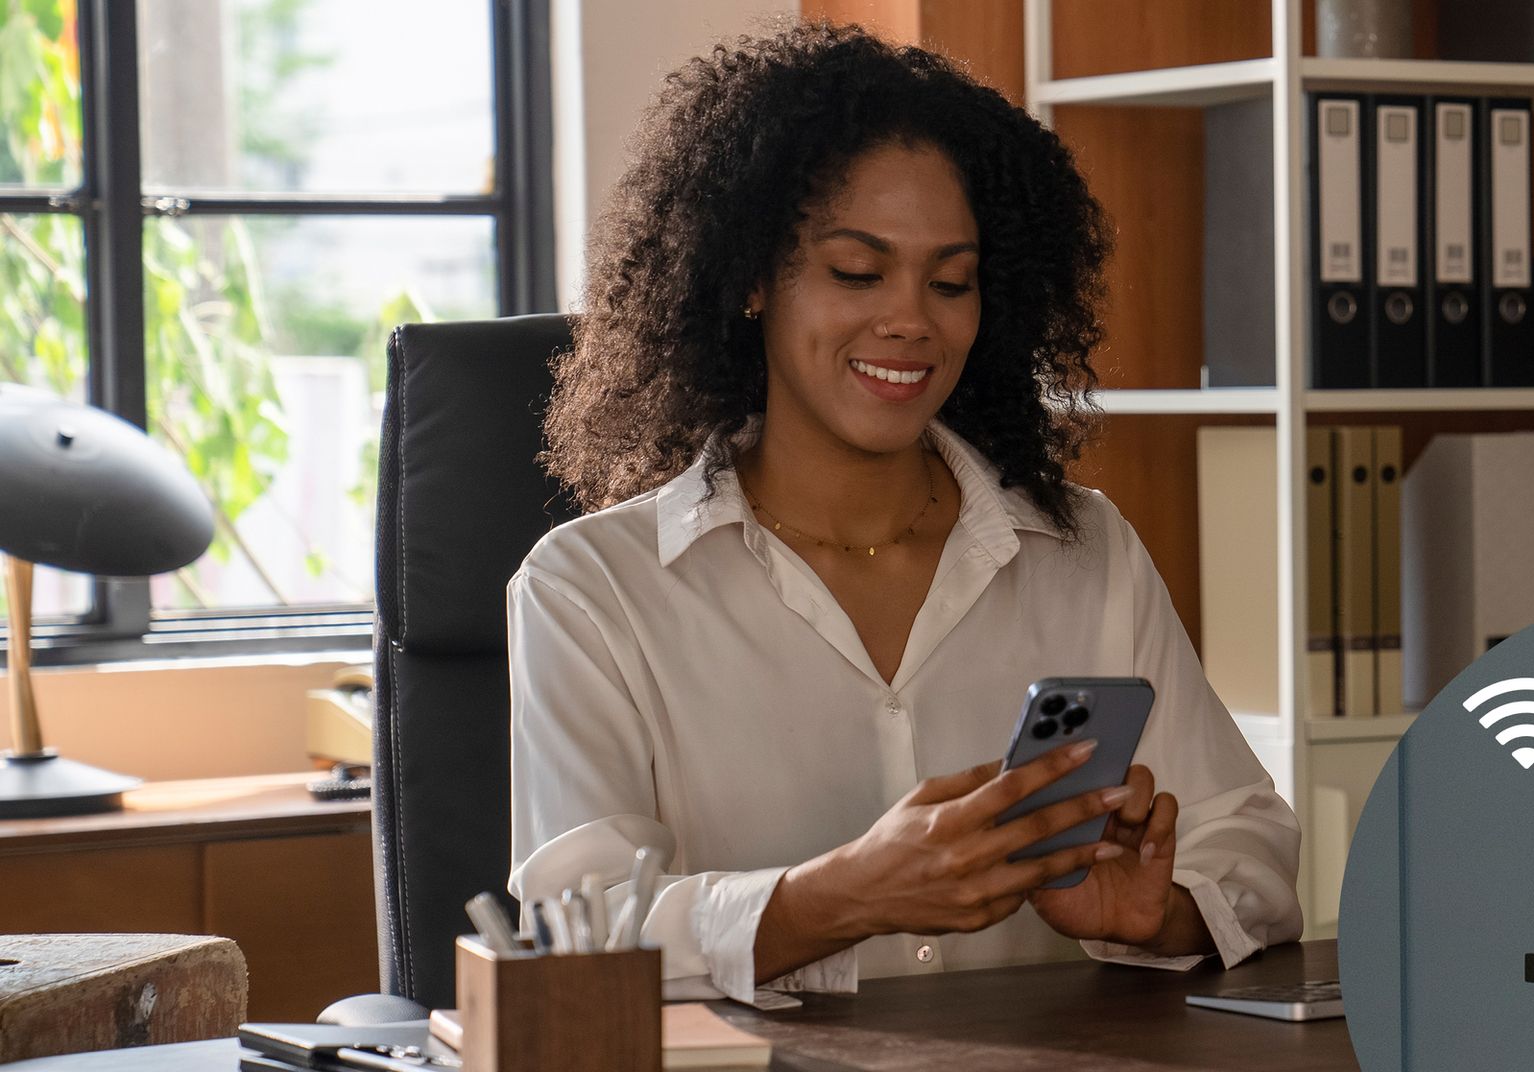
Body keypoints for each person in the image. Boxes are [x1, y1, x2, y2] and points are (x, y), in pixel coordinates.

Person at [507, 21, 1302, 1006]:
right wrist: (835, 896)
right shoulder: (593, 588)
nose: (911, 319)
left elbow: (1252, 838)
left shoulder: (1085, 552)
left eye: (951, 281)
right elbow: (574, 930)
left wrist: (1159, 913)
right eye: (856, 271)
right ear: (753, 278)